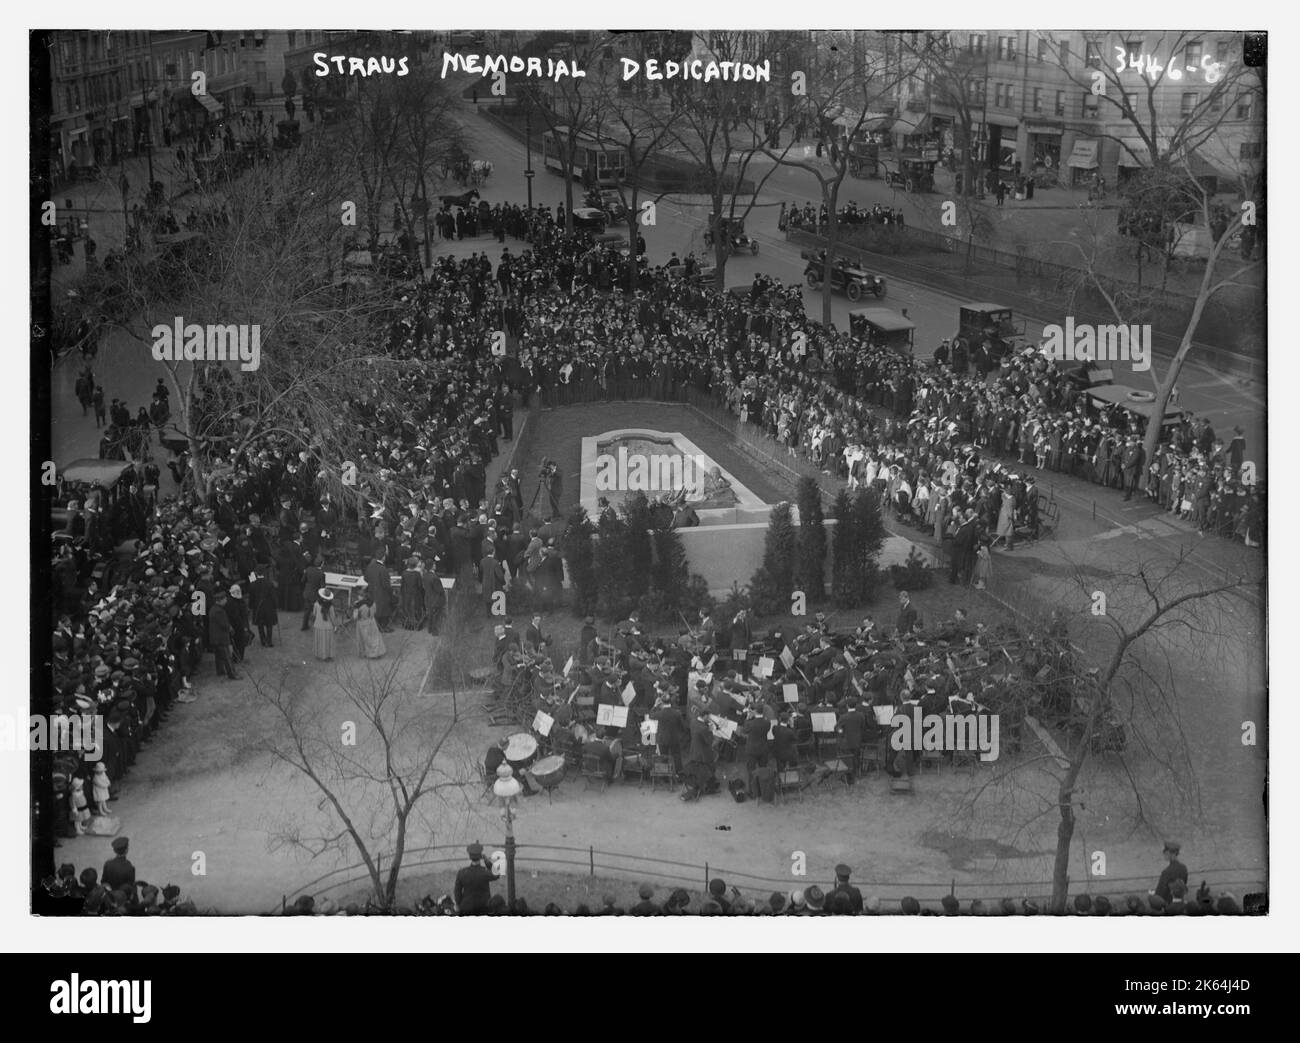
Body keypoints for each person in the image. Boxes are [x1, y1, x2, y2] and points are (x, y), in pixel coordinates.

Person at [454, 841, 499, 915]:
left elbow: (457, 892)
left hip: (466, 909)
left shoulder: (462, 873)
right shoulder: (485, 872)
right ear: (480, 856)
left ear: (469, 856)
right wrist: (487, 861)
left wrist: (459, 904)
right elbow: (497, 874)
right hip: (483, 908)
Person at [209, 592, 239, 680]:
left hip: (215, 638)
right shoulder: (219, 611)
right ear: (220, 600)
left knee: (218, 656)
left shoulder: (213, 609)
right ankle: (232, 674)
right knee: (227, 657)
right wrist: (230, 628)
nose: (226, 601)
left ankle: (220, 671)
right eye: (224, 599)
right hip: (221, 638)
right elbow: (224, 624)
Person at [354, 594, 386, 659]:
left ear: (360, 597)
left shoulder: (358, 605)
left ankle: (366, 653)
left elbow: (355, 617)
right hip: (372, 622)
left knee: (364, 639)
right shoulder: (373, 603)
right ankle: (376, 653)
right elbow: (375, 611)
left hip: (362, 623)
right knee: (374, 638)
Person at [310, 588, 338, 662]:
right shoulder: (331, 606)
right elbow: (333, 617)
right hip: (328, 627)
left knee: (320, 641)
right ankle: (327, 656)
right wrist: (335, 625)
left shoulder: (316, 604)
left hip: (318, 626)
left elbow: (314, 614)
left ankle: (320, 655)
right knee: (327, 642)